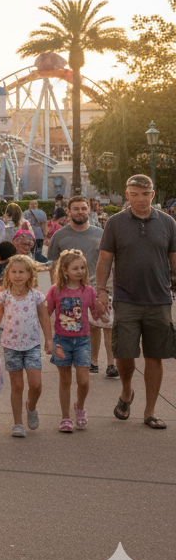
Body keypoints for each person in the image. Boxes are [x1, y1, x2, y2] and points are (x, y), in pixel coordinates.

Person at [96, 174, 176, 430]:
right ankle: (127, 391)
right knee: (124, 354)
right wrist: (100, 290)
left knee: (155, 356)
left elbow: (174, 260)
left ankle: (149, 411)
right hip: (126, 300)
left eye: (145, 194)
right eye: (134, 194)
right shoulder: (115, 223)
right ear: (127, 195)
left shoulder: (168, 223)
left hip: (159, 300)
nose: (140, 199)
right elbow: (104, 259)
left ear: (152, 195)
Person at [0, 254, 52, 437]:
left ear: (30, 275)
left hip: (32, 345)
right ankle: (18, 423)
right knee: (17, 385)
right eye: (14, 272)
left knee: (36, 385)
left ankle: (31, 406)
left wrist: (49, 340)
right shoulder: (4, 297)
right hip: (11, 345)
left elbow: (44, 317)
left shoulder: (36, 296)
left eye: (22, 272)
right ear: (8, 274)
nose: (18, 275)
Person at [45, 196, 113, 375]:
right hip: (70, 291)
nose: (80, 212)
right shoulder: (60, 235)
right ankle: (92, 361)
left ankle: (107, 363)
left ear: (89, 210)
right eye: (76, 209)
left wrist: (106, 288)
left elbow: (109, 261)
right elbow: (53, 264)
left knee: (105, 324)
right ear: (68, 212)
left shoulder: (100, 234)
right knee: (87, 327)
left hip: (97, 286)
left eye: (83, 208)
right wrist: (56, 289)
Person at [46, 249, 97, 431]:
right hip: (62, 342)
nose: (80, 271)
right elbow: (45, 314)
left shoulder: (89, 291)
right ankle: (65, 418)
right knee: (65, 381)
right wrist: (47, 339)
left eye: (83, 267)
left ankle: (79, 407)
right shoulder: (55, 290)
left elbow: (96, 315)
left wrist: (102, 308)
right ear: (65, 270)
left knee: (84, 381)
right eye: (75, 268)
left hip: (82, 341)